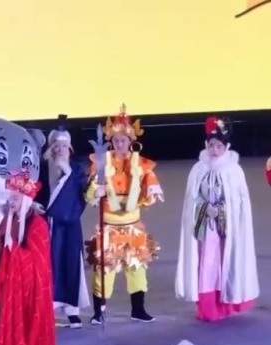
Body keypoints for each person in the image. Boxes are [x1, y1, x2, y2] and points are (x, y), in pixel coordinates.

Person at [85, 104, 163, 324]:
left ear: (130, 141)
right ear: (111, 141)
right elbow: (89, 195)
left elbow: (150, 194)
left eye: (123, 140)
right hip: (109, 226)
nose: (120, 144)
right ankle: (99, 312)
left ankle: (138, 310)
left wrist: (147, 191)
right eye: (116, 140)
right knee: (104, 270)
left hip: (132, 226)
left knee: (136, 268)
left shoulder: (141, 165)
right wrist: (96, 190)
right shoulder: (101, 164)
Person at [175, 117, 259, 321]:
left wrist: (222, 210)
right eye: (211, 145)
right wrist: (204, 207)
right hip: (205, 225)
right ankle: (207, 307)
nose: (214, 150)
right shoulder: (199, 169)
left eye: (219, 146)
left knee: (225, 261)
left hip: (226, 227)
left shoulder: (233, 170)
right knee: (206, 263)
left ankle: (226, 304)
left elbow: (240, 202)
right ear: (207, 145)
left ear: (226, 147)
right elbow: (191, 198)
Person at [0, 170, 58, 345]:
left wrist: (12, 250)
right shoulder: (10, 219)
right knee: (5, 323)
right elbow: (0, 243)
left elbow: (38, 260)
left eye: (15, 199)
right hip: (10, 285)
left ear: (25, 199)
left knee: (31, 325)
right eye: (10, 198)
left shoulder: (38, 224)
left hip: (31, 288)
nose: (11, 202)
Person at [42, 116, 90, 328]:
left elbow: (83, 193)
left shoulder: (76, 169)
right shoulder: (43, 168)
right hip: (49, 224)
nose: (60, 149)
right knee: (50, 264)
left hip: (70, 224)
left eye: (64, 145)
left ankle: (72, 309)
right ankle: (48, 306)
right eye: (56, 145)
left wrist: (94, 192)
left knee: (71, 263)